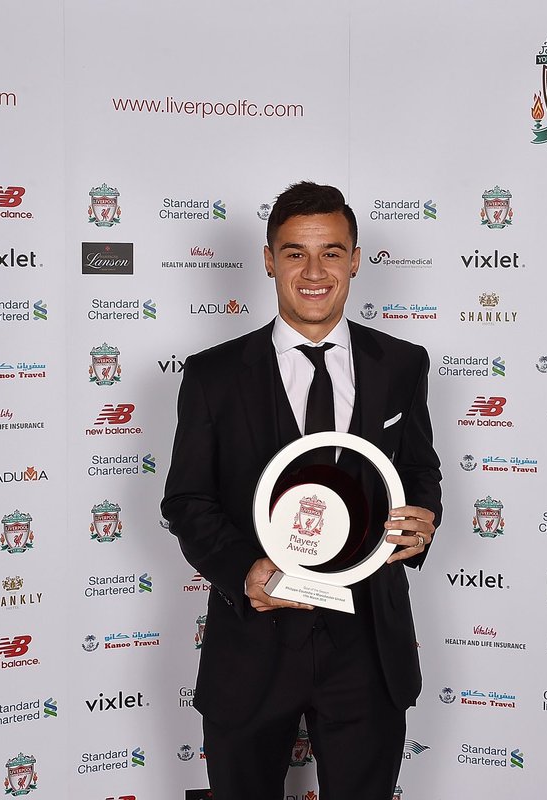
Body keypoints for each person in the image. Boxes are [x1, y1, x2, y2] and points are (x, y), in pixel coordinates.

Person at [161, 181, 442, 799]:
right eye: (295, 253)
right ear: (269, 260)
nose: (314, 272)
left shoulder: (402, 364)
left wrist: (424, 517)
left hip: (367, 647)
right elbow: (186, 500)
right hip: (253, 647)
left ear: (355, 259)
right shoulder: (212, 375)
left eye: (331, 252)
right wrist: (244, 571)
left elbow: (420, 469)